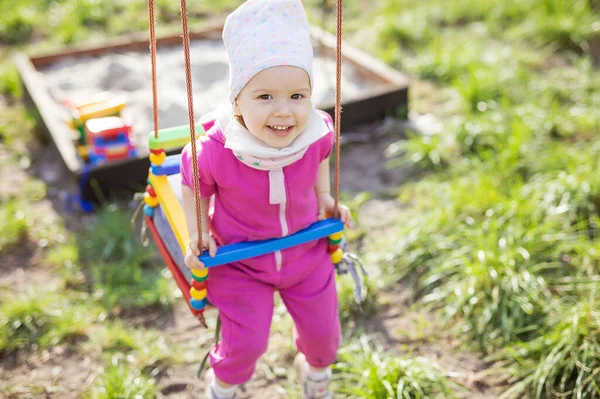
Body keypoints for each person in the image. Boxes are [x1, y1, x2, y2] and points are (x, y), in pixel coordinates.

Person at [180, 0, 352, 398]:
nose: (284, 112)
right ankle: (222, 388)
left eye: (297, 96)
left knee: (325, 339)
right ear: (236, 101)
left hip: (305, 251)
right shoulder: (217, 151)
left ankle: (315, 375)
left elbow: (323, 156)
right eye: (264, 98)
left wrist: (324, 196)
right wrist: (198, 232)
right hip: (240, 261)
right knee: (246, 345)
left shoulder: (317, 133)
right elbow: (193, 183)